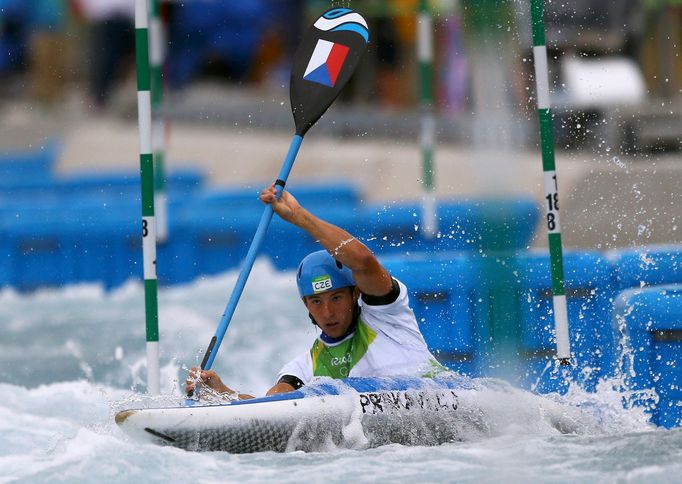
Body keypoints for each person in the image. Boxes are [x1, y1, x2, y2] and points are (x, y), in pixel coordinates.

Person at [186, 183, 443, 399]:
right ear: (305, 304)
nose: (328, 312)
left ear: (355, 293)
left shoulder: (387, 314)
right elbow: (275, 408)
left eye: (336, 297)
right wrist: (223, 394)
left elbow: (363, 260)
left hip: (445, 401)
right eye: (316, 302)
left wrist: (299, 216)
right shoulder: (306, 367)